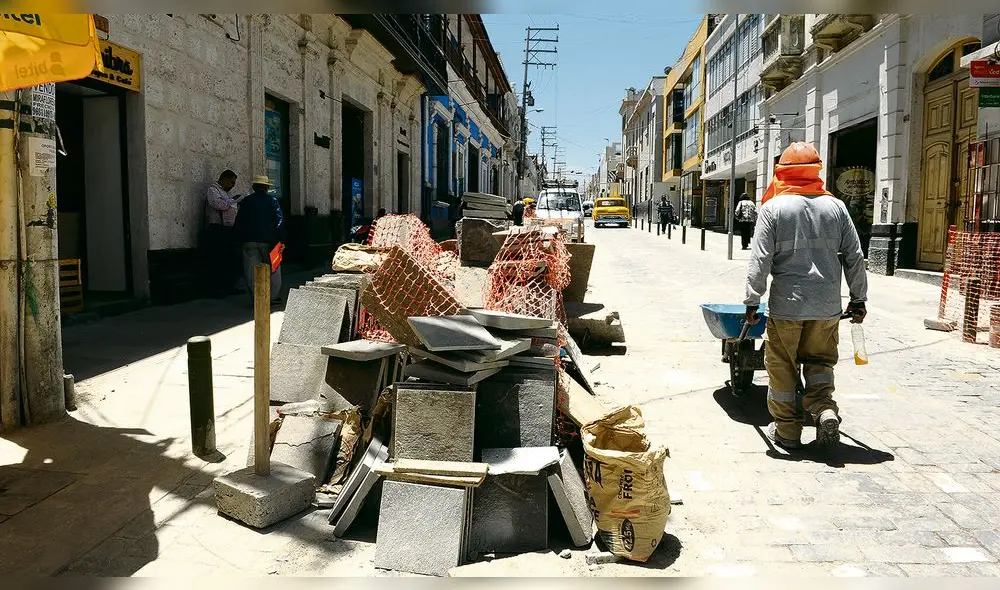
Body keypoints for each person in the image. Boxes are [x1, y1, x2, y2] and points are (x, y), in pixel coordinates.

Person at [744, 142, 868, 452]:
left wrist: (752, 300)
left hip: (787, 305)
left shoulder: (774, 208)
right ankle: (824, 408)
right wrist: (858, 298)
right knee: (820, 362)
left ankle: (787, 432)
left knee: (783, 366)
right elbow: (854, 256)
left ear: (782, 173)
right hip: (826, 305)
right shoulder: (836, 207)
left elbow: (760, 259)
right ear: (816, 172)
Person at [234, 175, 285, 305]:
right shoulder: (272, 201)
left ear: (253, 187)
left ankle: (257, 298)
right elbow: (279, 221)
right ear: (267, 187)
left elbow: (239, 221)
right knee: (274, 269)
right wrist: (281, 239)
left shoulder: (246, 201)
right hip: (270, 241)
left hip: (249, 241)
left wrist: (238, 239)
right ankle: (272, 297)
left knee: (251, 271)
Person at [204, 170, 240, 297]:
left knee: (229, 259)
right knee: (217, 259)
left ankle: (229, 285)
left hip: (228, 228)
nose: (232, 186)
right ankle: (216, 288)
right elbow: (219, 204)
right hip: (217, 228)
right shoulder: (213, 190)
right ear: (223, 179)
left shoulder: (226, 193)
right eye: (231, 182)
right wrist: (233, 201)